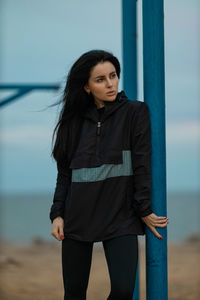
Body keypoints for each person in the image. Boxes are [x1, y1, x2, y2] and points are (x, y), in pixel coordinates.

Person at [49, 49, 169, 300]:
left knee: (124, 290)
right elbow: (64, 174)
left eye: (113, 75)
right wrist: (58, 214)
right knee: (73, 293)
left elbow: (141, 163)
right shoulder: (73, 122)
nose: (110, 84)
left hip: (120, 216)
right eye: (100, 79)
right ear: (86, 87)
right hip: (78, 217)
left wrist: (144, 208)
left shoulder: (135, 113)